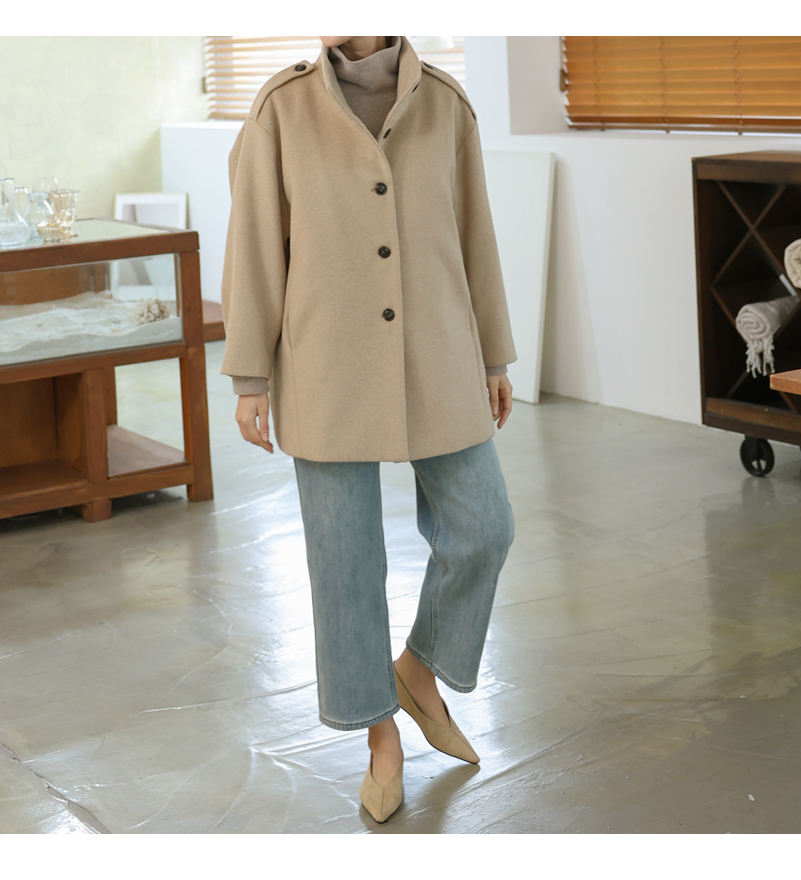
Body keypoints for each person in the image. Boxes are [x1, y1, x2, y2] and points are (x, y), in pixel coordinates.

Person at [219, 35, 517, 823]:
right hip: (325, 363)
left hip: (439, 353)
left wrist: (493, 354)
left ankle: (418, 668)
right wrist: (250, 374)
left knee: (485, 527)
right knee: (344, 564)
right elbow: (254, 242)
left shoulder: (446, 105)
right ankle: (381, 740)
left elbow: (476, 236)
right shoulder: (282, 109)